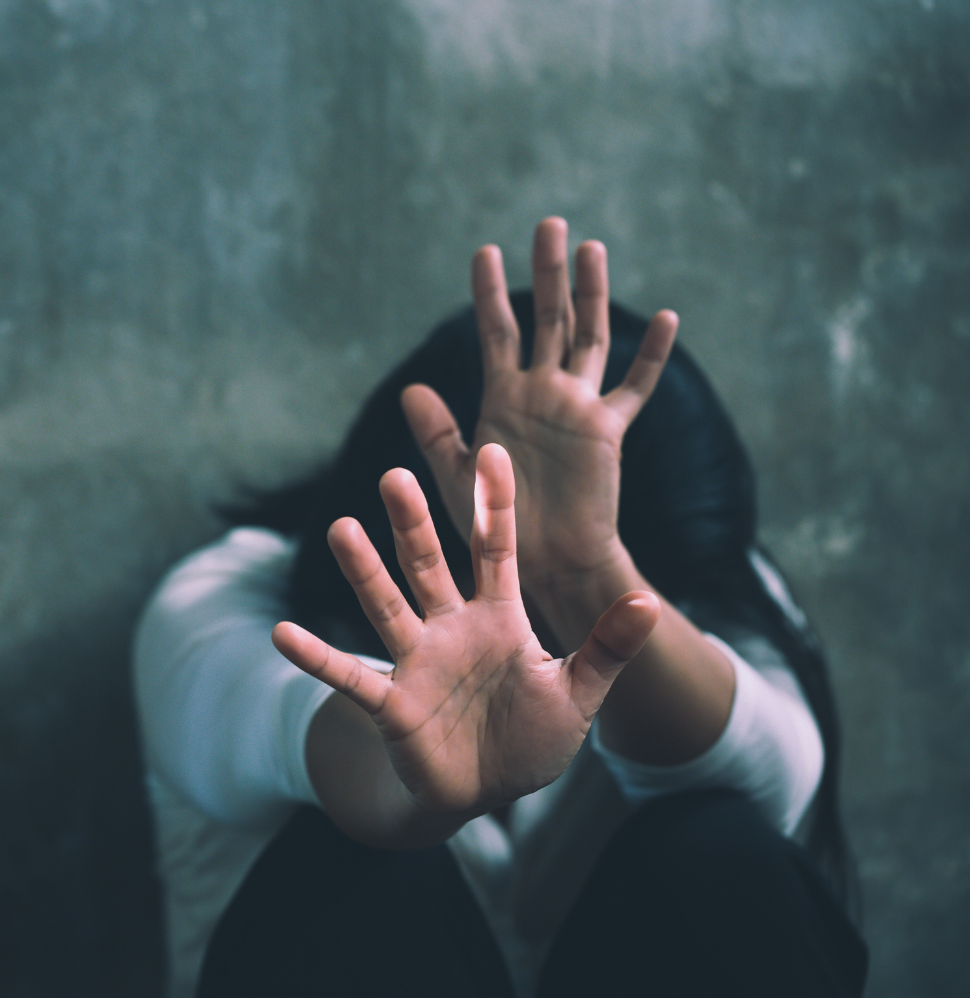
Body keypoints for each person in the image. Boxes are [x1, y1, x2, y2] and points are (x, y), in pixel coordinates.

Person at [134, 219, 867, 997]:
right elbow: (281, 718)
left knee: (723, 853)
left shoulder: (714, 582)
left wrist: (582, 572)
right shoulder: (219, 600)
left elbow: (774, 778)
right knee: (352, 866)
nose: (543, 646)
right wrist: (415, 777)